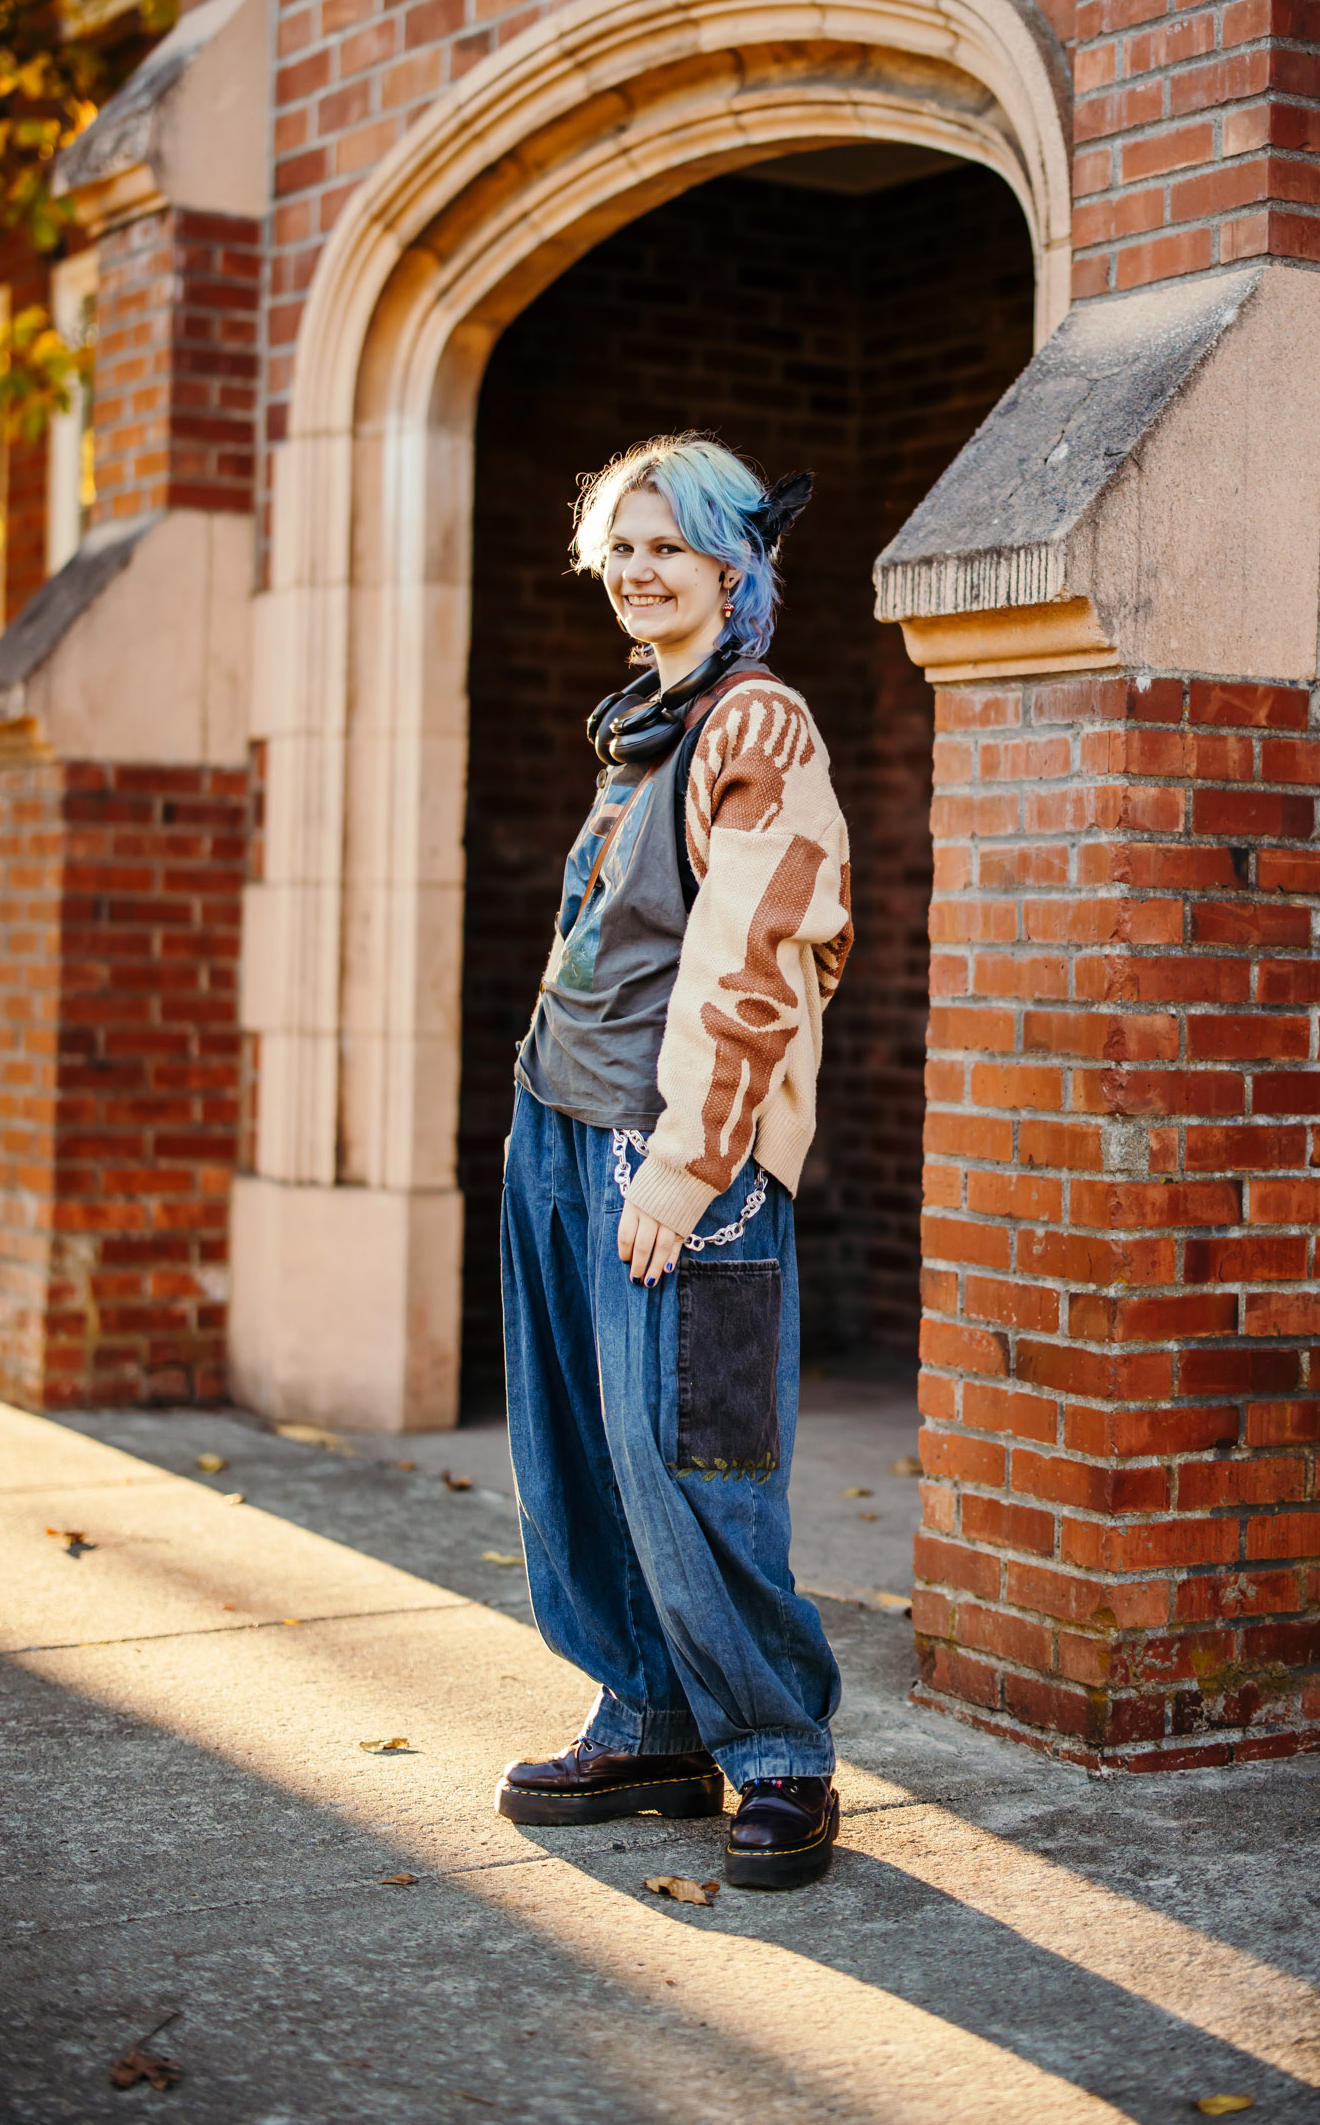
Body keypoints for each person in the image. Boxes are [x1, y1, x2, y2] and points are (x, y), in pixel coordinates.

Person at [493, 433, 854, 1892]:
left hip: (672, 1155)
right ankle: (649, 1716)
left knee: (696, 1455)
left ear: (731, 563)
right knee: (584, 1448)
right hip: (560, 1129)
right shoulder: (647, 719)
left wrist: (691, 1165)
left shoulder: (754, 726)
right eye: (621, 549)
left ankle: (776, 1751)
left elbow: (765, 955)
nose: (639, 571)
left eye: (669, 546)